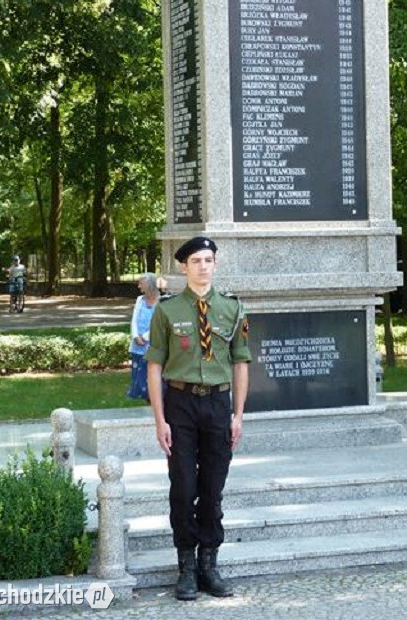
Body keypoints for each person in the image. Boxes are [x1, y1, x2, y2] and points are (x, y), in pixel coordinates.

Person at [146, 236, 250, 601]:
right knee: (183, 487)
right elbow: (154, 366)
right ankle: (186, 567)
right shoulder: (167, 310)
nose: (203, 266)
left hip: (218, 407)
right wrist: (160, 420)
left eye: (208, 260)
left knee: (212, 489)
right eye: (196, 261)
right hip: (181, 405)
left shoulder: (233, 309)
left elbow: (240, 363)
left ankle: (209, 563)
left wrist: (238, 414)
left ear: (215, 265)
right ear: (183, 267)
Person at [127, 273, 160, 402]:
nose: (139, 286)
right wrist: (135, 336)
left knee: (152, 371)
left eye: (141, 283)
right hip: (137, 343)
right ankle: (143, 395)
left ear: (150, 284)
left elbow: (159, 324)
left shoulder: (161, 301)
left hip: (153, 342)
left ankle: (153, 398)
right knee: (139, 372)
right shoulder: (140, 299)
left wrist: (145, 337)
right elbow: (134, 319)